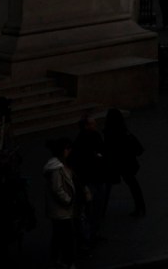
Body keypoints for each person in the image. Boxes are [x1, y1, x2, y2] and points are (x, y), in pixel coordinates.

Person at [72, 112, 109, 246]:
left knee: (93, 209)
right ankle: (88, 236)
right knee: (92, 209)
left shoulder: (83, 139)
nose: (96, 125)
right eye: (93, 123)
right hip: (92, 180)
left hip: (94, 179)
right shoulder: (88, 139)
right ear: (87, 126)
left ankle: (91, 235)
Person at [43, 137, 79, 269]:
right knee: (66, 237)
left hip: (58, 210)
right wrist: (68, 200)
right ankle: (67, 260)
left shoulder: (57, 166)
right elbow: (57, 189)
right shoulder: (57, 169)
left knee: (58, 235)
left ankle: (56, 258)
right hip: (61, 210)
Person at [105, 109, 146, 217]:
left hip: (121, 163)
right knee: (133, 185)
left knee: (109, 185)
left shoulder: (111, 132)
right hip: (127, 163)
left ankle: (101, 209)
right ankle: (140, 207)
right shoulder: (124, 131)